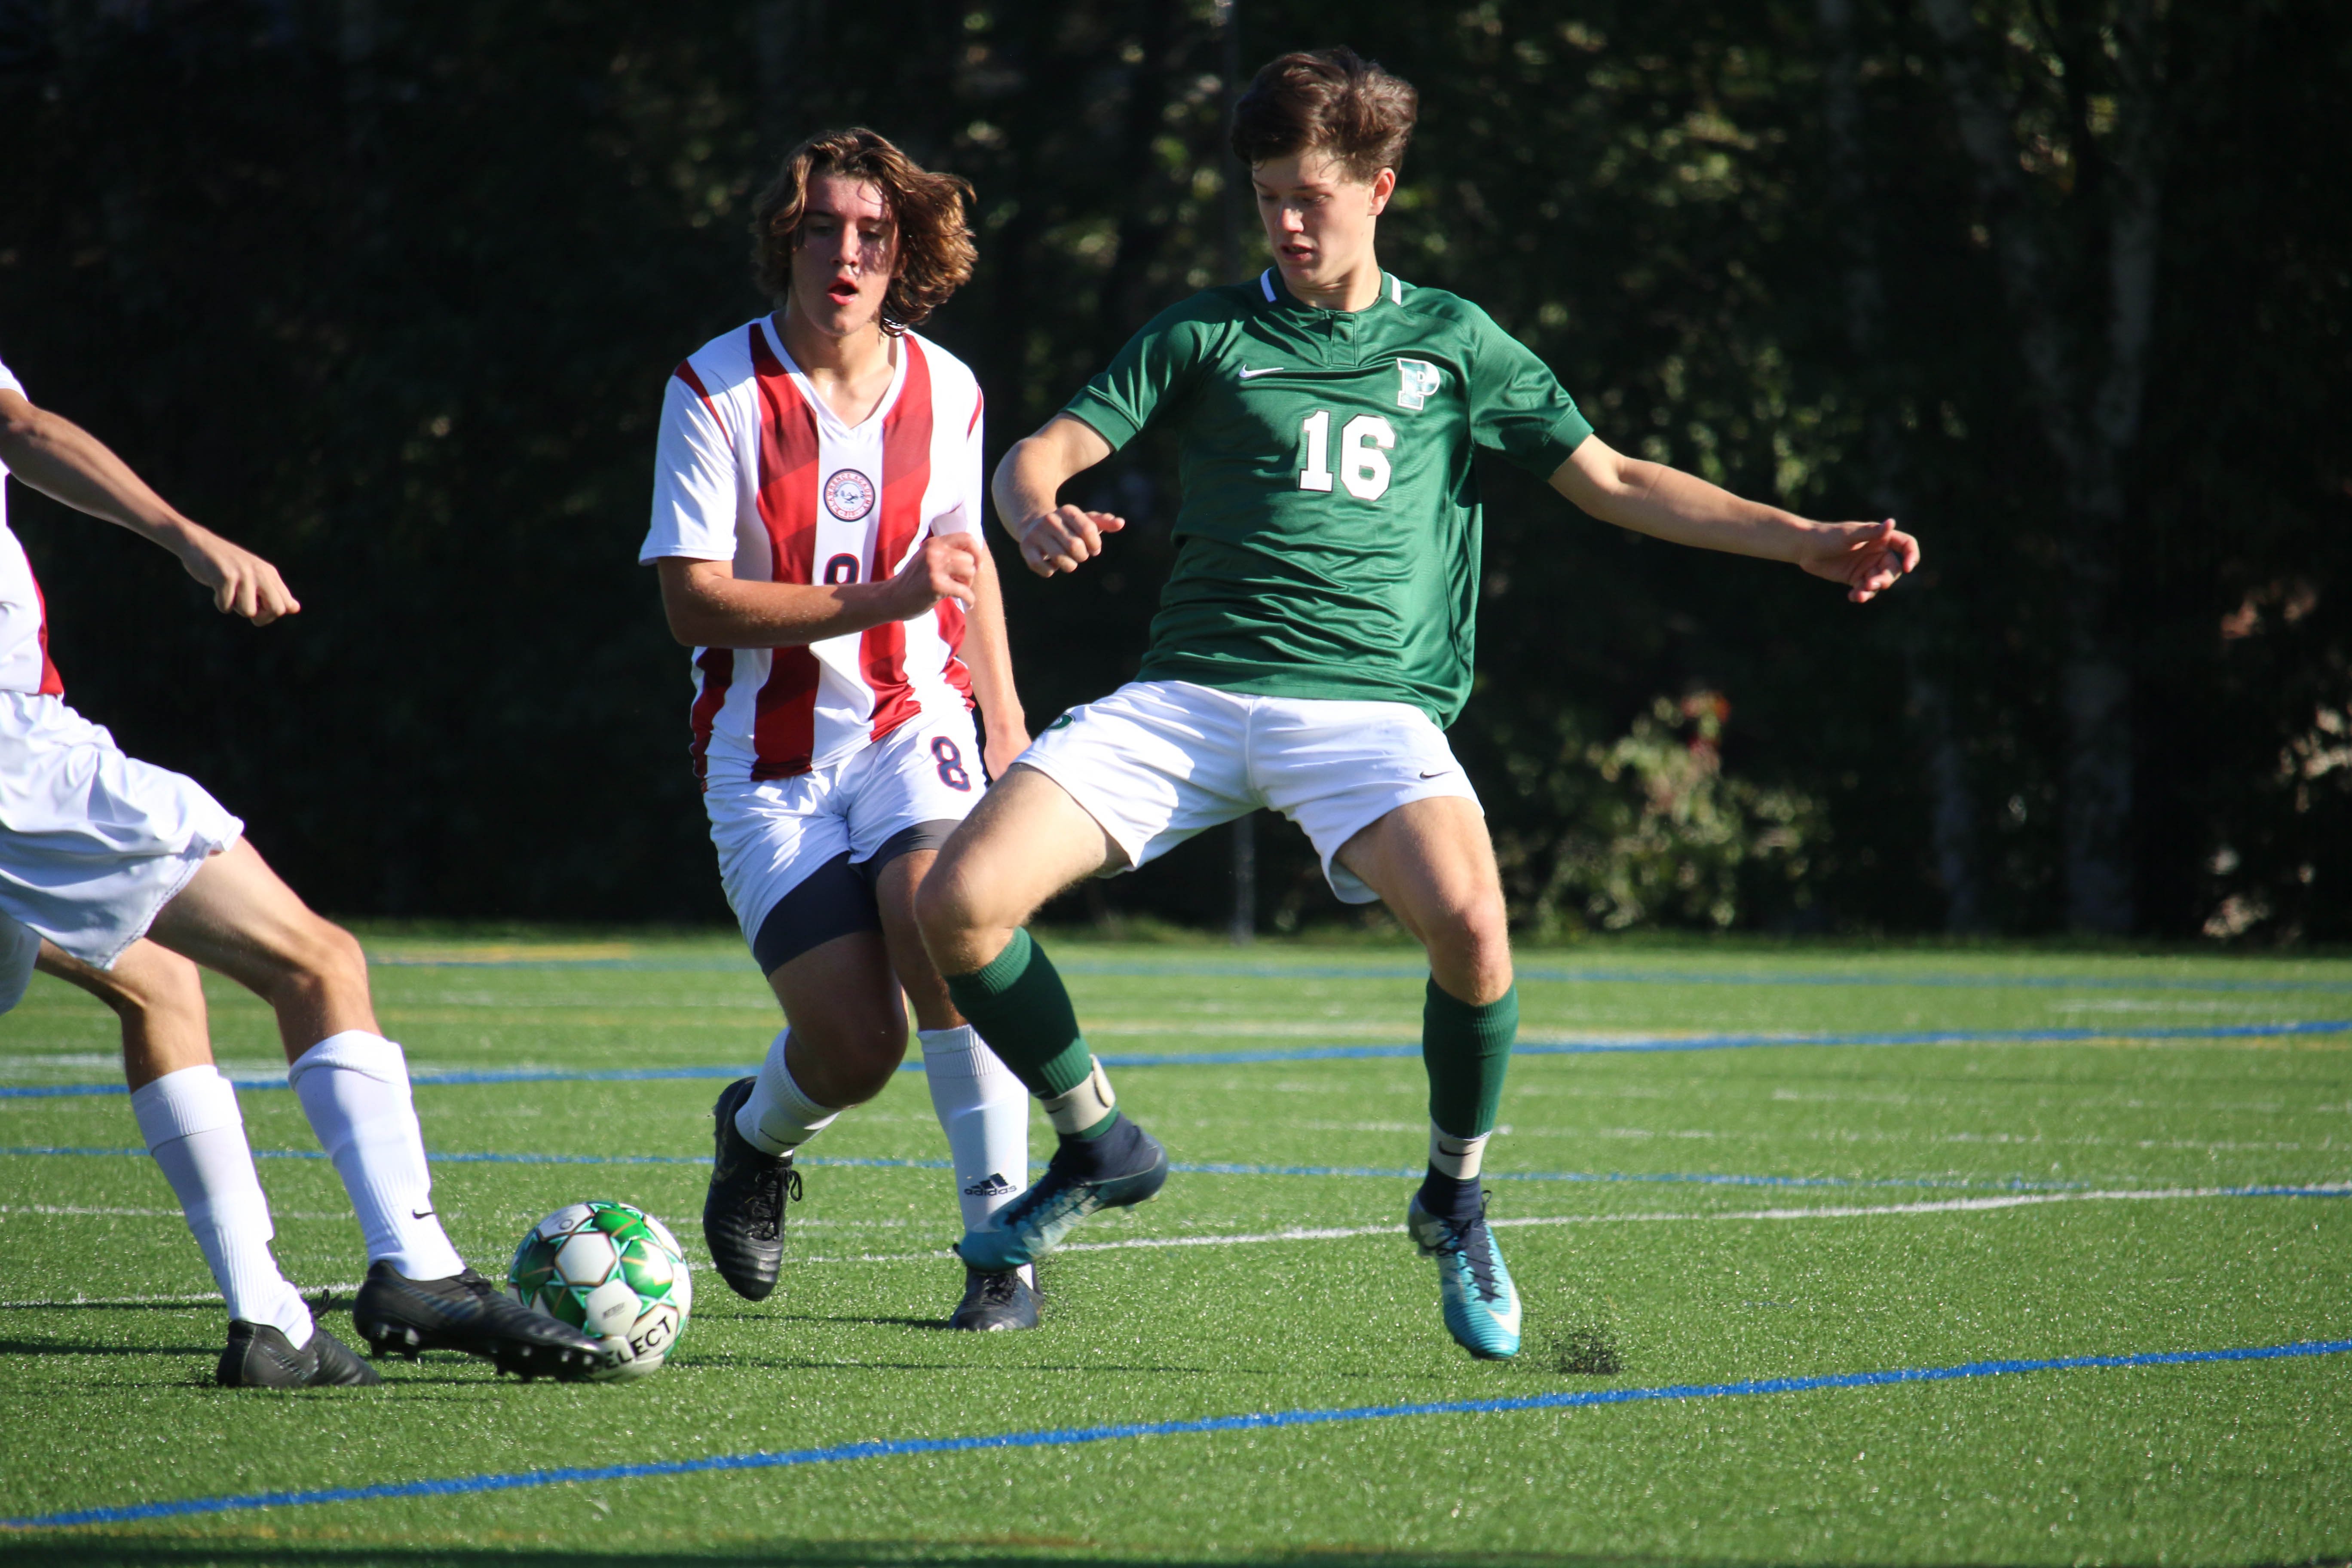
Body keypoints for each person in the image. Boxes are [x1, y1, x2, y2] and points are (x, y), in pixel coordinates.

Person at [916, 48, 1921, 1361]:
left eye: (1312, 195)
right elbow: (1043, 449)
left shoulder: (1455, 343)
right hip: (1188, 699)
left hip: (1369, 715)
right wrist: (1036, 511)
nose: (1285, 220)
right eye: (1268, 193)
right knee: (955, 906)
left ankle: (1454, 1198)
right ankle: (1099, 1139)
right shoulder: (1204, 332)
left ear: (1380, 190)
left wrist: (1799, 539)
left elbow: (1613, 478)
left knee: (1476, 933)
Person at [0, 361, 609, 1385]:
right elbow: (18, 427)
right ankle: (420, 1268)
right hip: (18, 758)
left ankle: (269, 1322)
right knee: (315, 962)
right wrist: (188, 537)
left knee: (157, 982)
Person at [642, 129, 1042, 1331]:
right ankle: (753, 1135)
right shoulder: (714, 389)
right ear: (789, 238)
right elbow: (691, 602)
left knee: (949, 934)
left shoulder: (950, 390)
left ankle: (1002, 1252)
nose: (849, 256)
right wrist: (885, 600)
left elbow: (964, 570)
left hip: (911, 725)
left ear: (905, 252)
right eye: (826, 229)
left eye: (875, 234)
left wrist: (1007, 718)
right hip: (766, 765)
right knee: (858, 1047)